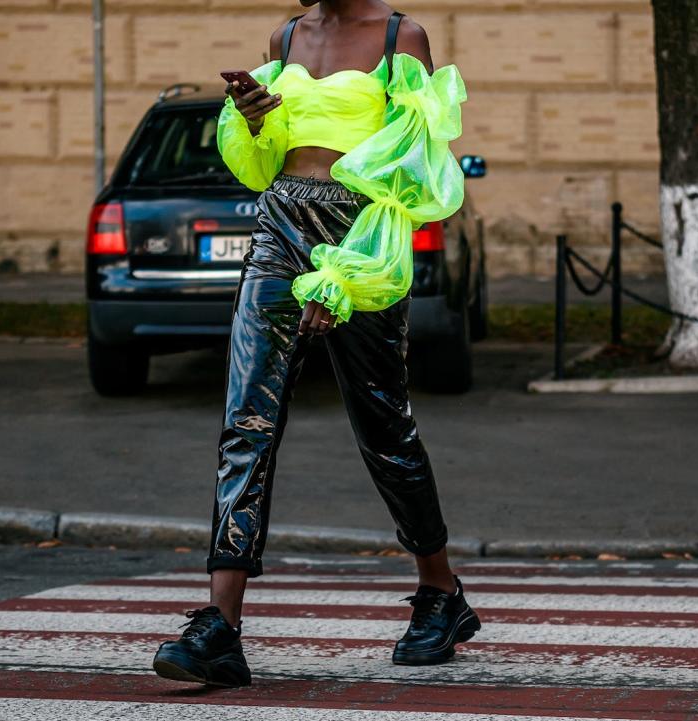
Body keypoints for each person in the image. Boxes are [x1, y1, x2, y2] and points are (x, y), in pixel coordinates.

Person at [152, 0, 477, 687]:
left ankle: (440, 592)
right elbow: (268, 161)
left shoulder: (401, 37)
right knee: (247, 419)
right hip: (278, 231)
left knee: (384, 424)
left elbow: (410, 173)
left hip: (361, 235)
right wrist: (257, 117)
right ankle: (221, 626)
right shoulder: (288, 34)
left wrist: (343, 276)